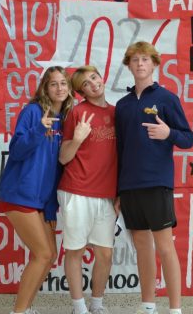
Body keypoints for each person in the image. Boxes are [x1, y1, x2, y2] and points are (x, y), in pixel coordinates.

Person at [114, 41, 193, 314]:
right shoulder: (122, 106)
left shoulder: (167, 99)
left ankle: (175, 309)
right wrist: (118, 192)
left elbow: (188, 138)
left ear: (155, 64)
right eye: (134, 59)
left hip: (157, 183)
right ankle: (148, 306)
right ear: (128, 65)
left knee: (164, 247)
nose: (140, 64)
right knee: (142, 247)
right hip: (129, 187)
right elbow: (120, 150)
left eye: (145, 59)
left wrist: (167, 133)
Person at [0, 66, 74, 314]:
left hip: (42, 201)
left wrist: (51, 209)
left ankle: (26, 309)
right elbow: (17, 150)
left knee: (50, 255)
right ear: (45, 87)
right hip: (20, 194)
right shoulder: (32, 111)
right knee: (42, 254)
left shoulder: (66, 121)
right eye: (53, 84)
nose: (59, 88)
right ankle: (18, 312)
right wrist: (39, 128)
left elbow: (56, 169)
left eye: (63, 83)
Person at [58, 65, 118, 314]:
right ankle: (78, 307)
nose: (93, 84)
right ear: (80, 91)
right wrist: (79, 138)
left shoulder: (118, 113)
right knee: (75, 250)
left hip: (106, 195)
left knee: (105, 254)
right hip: (77, 190)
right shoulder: (78, 112)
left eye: (94, 77)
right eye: (85, 83)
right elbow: (63, 157)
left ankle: (97, 304)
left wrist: (120, 194)